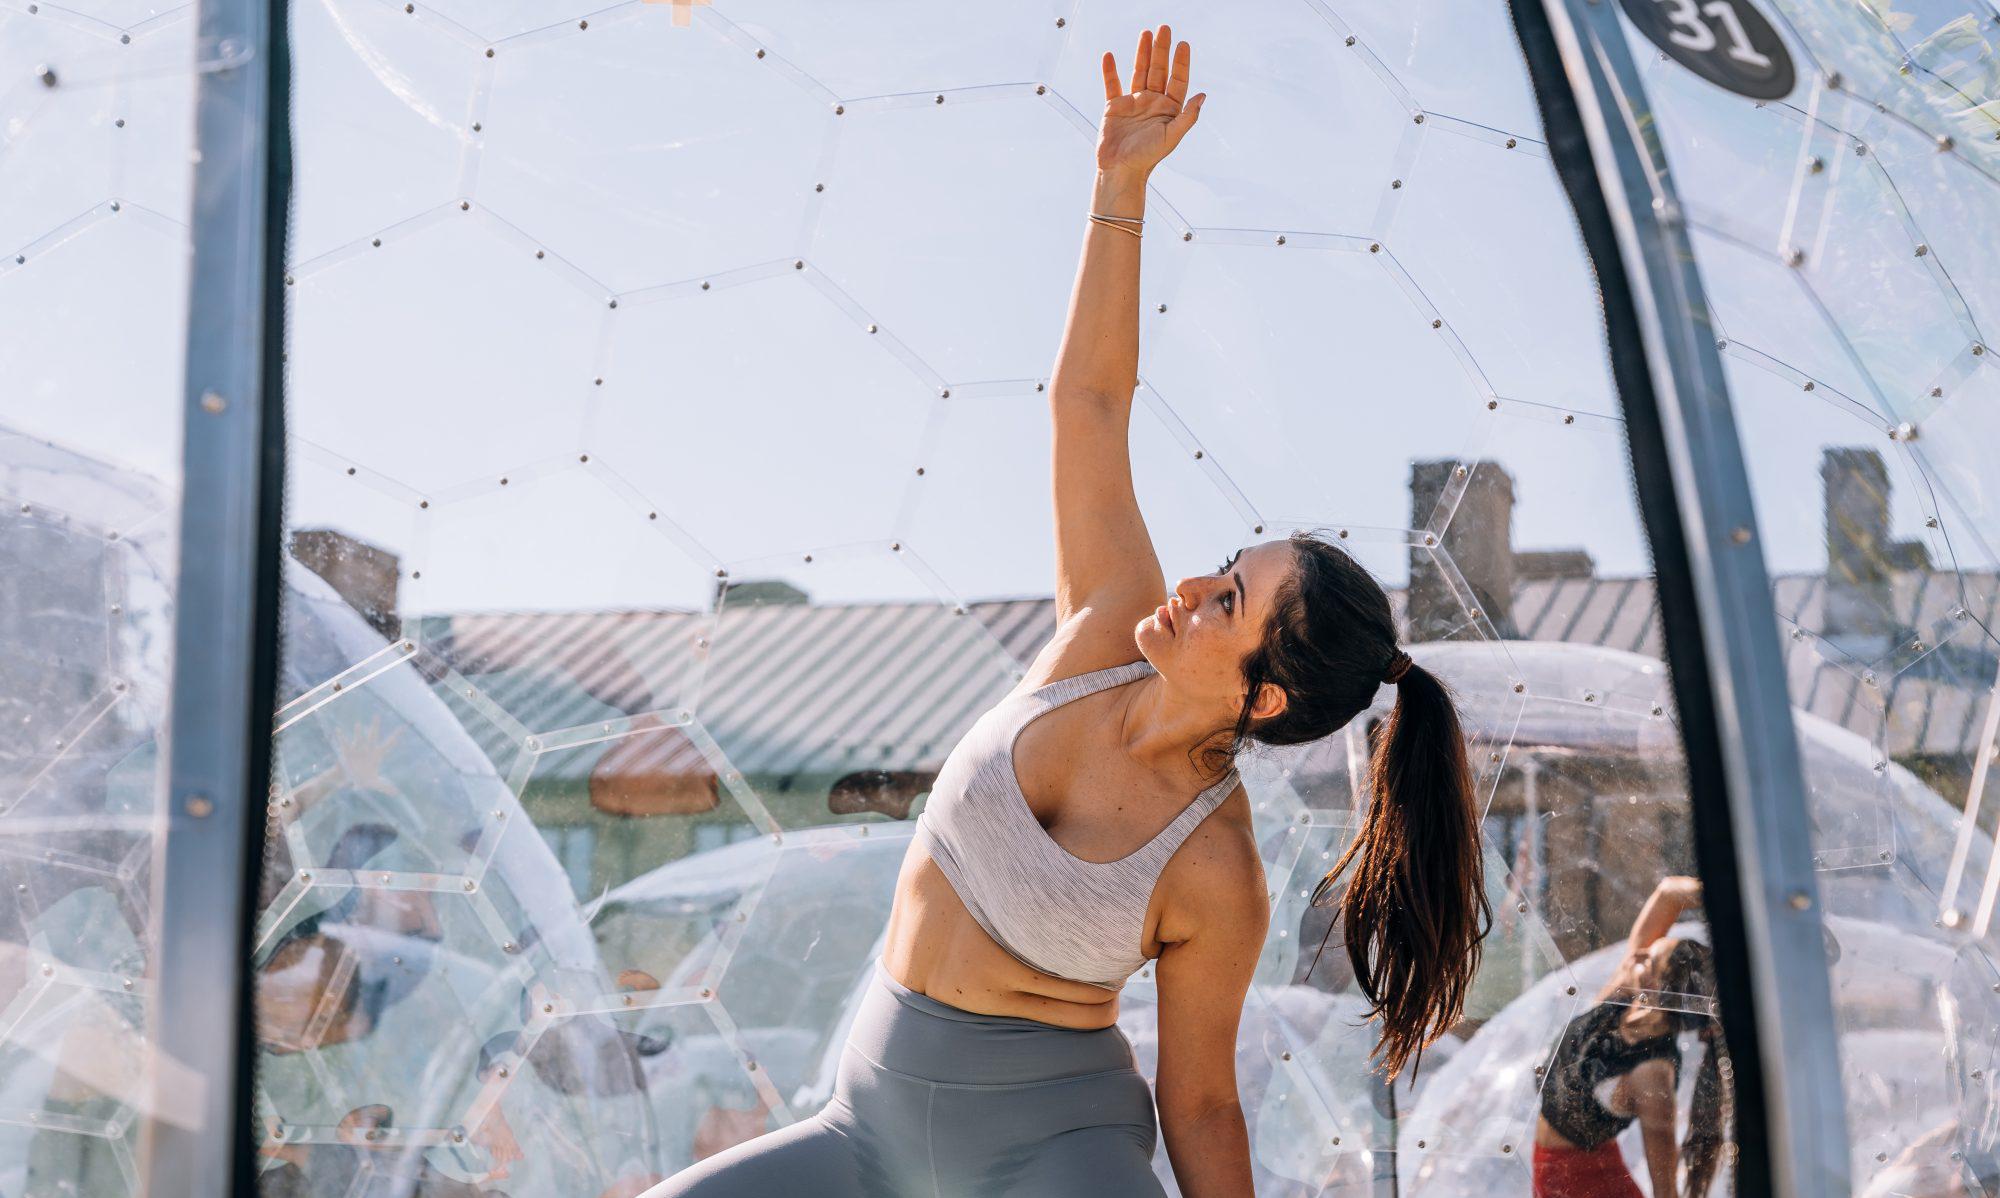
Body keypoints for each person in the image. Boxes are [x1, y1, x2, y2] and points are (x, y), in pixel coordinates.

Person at [644, 23, 1488, 1198]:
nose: (1188, 588)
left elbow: (1199, 1102)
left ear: (1264, 694)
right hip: (863, 1127)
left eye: (1225, 600)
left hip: (1052, 1158)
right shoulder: (1102, 631)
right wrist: (1118, 187)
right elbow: (1088, 403)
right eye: (1217, 568)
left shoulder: (1213, 867)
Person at [1533, 877, 1731, 1198]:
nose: (1637, 956)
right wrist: (1735, 898)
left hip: (1579, 1185)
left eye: (1649, 960)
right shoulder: (1622, 996)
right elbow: (1667, 893)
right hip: (1572, 1166)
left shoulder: (1653, 1075)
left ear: (1658, 993)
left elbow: (1665, 1190)